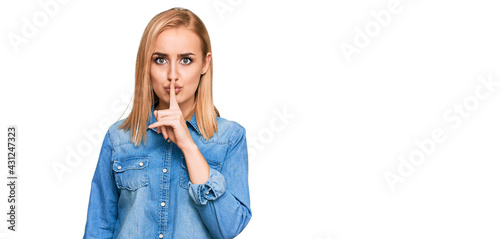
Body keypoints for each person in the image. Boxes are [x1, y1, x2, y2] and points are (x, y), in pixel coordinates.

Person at [83, 7, 252, 239]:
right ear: (146, 65)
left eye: (186, 60)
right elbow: (98, 227)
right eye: (160, 60)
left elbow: (228, 228)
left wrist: (188, 146)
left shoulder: (229, 138)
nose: (172, 74)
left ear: (205, 64)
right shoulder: (119, 138)